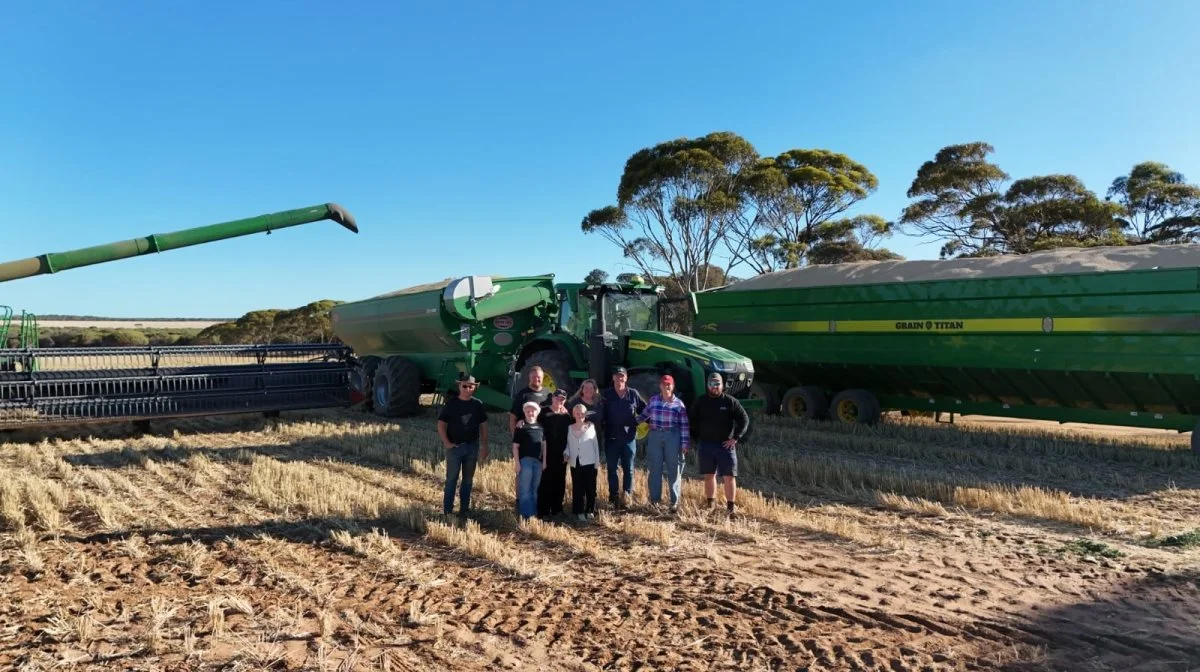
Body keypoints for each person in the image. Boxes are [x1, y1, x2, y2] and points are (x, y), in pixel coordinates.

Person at [688, 372, 749, 515]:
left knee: (729, 477)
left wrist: (736, 437)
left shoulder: (730, 402)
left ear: (722, 385)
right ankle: (711, 504)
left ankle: (730, 508)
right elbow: (691, 421)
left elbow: (744, 419)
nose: (714, 387)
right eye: (711, 384)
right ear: (707, 386)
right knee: (709, 476)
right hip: (706, 445)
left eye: (717, 384)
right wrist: (697, 438)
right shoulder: (700, 401)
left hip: (725, 446)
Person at [436, 375, 490, 520]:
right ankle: (447, 511)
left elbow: (484, 426)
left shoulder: (477, 404)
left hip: (472, 447)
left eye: (470, 386)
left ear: (475, 388)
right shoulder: (452, 404)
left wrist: (485, 446)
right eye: (464, 386)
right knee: (451, 480)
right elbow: (441, 424)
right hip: (455, 448)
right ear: (459, 386)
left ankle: (464, 510)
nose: (467, 389)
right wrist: (446, 442)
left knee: (467, 481)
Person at [637, 374, 690, 512]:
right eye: (664, 384)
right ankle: (654, 500)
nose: (666, 387)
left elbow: (684, 425)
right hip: (654, 436)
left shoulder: (679, 404)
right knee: (655, 469)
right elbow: (644, 415)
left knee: (674, 469)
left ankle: (674, 502)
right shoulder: (653, 400)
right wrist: (631, 422)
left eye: (669, 385)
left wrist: (684, 444)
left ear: (672, 387)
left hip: (672, 435)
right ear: (660, 386)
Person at [599, 367, 645, 509]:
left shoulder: (633, 394)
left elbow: (646, 411)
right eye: (617, 376)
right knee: (612, 469)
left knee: (629, 469)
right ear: (613, 378)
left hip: (629, 439)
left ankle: (627, 496)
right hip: (611, 438)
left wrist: (639, 422)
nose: (620, 379)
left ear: (626, 378)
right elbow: (599, 414)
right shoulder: (606, 395)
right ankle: (613, 497)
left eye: (622, 376)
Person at [537, 389, 573, 518]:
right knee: (545, 480)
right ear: (552, 397)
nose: (560, 400)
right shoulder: (543, 412)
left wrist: (567, 451)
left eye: (563, 399)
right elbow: (532, 423)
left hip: (561, 453)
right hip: (545, 452)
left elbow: (571, 435)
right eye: (558, 398)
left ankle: (557, 508)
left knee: (559, 480)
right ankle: (543, 510)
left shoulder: (566, 416)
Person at [565, 402, 601, 520]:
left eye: (582, 413)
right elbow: (568, 445)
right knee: (578, 488)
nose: (580, 415)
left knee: (590, 488)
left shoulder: (591, 427)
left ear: (585, 414)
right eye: (577, 413)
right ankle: (579, 511)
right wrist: (566, 453)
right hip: (575, 463)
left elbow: (595, 445)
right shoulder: (569, 428)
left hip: (590, 462)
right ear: (573, 414)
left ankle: (590, 510)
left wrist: (597, 462)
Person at [512, 400, 546, 520]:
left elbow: (544, 445)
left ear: (537, 412)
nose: (530, 413)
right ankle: (526, 515)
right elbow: (515, 447)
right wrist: (517, 463)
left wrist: (544, 461)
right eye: (528, 411)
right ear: (524, 412)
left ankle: (533, 513)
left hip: (538, 462)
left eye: (533, 411)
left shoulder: (541, 427)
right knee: (525, 489)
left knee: (535, 489)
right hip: (525, 461)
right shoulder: (521, 427)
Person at [510, 366, 551, 434]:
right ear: (529, 377)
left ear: (543, 377)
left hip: (543, 435)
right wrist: (515, 438)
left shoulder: (548, 394)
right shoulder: (522, 394)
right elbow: (513, 417)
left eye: (538, 377)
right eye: (534, 377)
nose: (536, 379)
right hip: (526, 434)